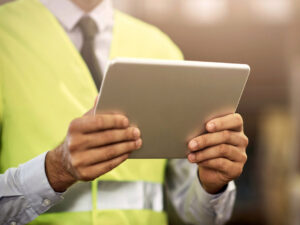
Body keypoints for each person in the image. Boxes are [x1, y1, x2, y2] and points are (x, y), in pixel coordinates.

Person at [0, 0, 249, 224]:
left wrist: (212, 186)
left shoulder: (161, 48)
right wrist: (55, 170)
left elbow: (198, 216)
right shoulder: (5, 33)